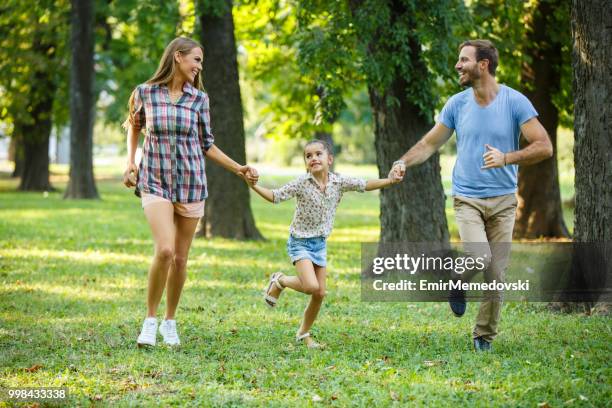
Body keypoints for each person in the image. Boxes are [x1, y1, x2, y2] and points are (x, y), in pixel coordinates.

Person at [390, 39, 552, 351]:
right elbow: (428, 144)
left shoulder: (515, 102)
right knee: (479, 256)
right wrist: (402, 161)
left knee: (496, 274)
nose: (457, 66)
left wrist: (507, 158)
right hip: (467, 199)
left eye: (463, 60)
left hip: (504, 201)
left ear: (483, 65)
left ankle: (483, 336)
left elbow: (544, 146)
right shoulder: (457, 104)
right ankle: (457, 279)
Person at [123, 37, 258, 347]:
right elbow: (134, 124)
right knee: (165, 251)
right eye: (196, 60)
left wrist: (239, 168)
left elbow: (206, 143)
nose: (199, 66)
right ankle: (150, 320)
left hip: (191, 184)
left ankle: (170, 322)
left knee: (181, 260)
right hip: (155, 180)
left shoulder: (199, 99)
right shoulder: (145, 93)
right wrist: (130, 162)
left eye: (201, 62)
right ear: (178, 57)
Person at [251, 139, 400, 348]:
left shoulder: (338, 183)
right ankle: (280, 280)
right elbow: (275, 197)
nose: (313, 158)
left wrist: (390, 181)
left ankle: (303, 334)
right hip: (300, 242)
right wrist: (253, 185)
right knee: (311, 286)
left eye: (318, 154)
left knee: (320, 293)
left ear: (329, 159)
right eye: (308, 156)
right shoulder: (301, 183)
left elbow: (364, 185)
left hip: (319, 244)